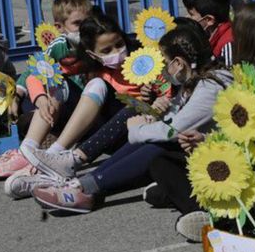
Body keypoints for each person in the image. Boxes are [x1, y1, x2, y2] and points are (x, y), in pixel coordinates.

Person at [147, 2, 255, 240]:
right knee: (161, 161)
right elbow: (236, 128)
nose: (233, 41)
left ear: (254, 39)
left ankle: (205, 214)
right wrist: (206, 139)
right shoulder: (245, 74)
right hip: (243, 153)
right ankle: (193, 197)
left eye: (238, 33)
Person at [30, 24, 232, 214]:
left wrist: (137, 130)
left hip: (217, 159)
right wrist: (150, 117)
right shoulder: (193, 81)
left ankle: (86, 186)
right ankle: (84, 183)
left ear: (178, 63)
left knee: (159, 145)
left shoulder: (211, 86)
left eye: (165, 62)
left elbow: (172, 131)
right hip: (195, 149)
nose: (163, 68)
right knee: (145, 126)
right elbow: (172, 118)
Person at [0, 0, 92, 180]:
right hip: (65, 105)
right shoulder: (60, 46)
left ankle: (39, 152)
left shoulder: (96, 40)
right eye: (77, 24)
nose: (84, 28)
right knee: (48, 88)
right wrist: (29, 96)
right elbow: (33, 72)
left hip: (89, 107)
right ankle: (28, 151)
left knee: (57, 85)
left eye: (87, 22)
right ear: (60, 27)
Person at [183, 0, 233, 65]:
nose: (187, 17)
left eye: (191, 14)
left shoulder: (228, 43)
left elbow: (228, 75)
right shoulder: (207, 35)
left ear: (209, 20)